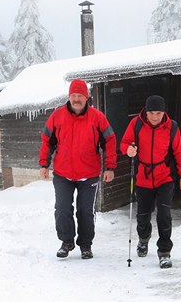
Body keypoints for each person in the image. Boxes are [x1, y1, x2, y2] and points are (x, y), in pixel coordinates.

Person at [39, 79, 117, 259]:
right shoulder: (57, 116)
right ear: (69, 97)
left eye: (79, 96)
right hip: (63, 173)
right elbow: (47, 141)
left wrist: (110, 167)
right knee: (62, 208)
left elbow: (110, 141)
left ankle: (85, 245)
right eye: (73, 95)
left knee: (85, 211)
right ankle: (66, 242)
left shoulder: (97, 117)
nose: (76, 99)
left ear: (86, 97)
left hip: (89, 174)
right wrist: (44, 164)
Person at [120, 95, 181, 269]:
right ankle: (143, 239)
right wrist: (128, 149)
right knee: (143, 216)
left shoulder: (171, 127)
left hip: (164, 176)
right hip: (143, 177)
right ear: (146, 112)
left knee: (164, 215)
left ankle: (164, 252)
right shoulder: (136, 124)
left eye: (158, 113)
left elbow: (179, 153)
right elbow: (124, 143)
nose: (155, 117)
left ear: (163, 112)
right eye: (152, 113)